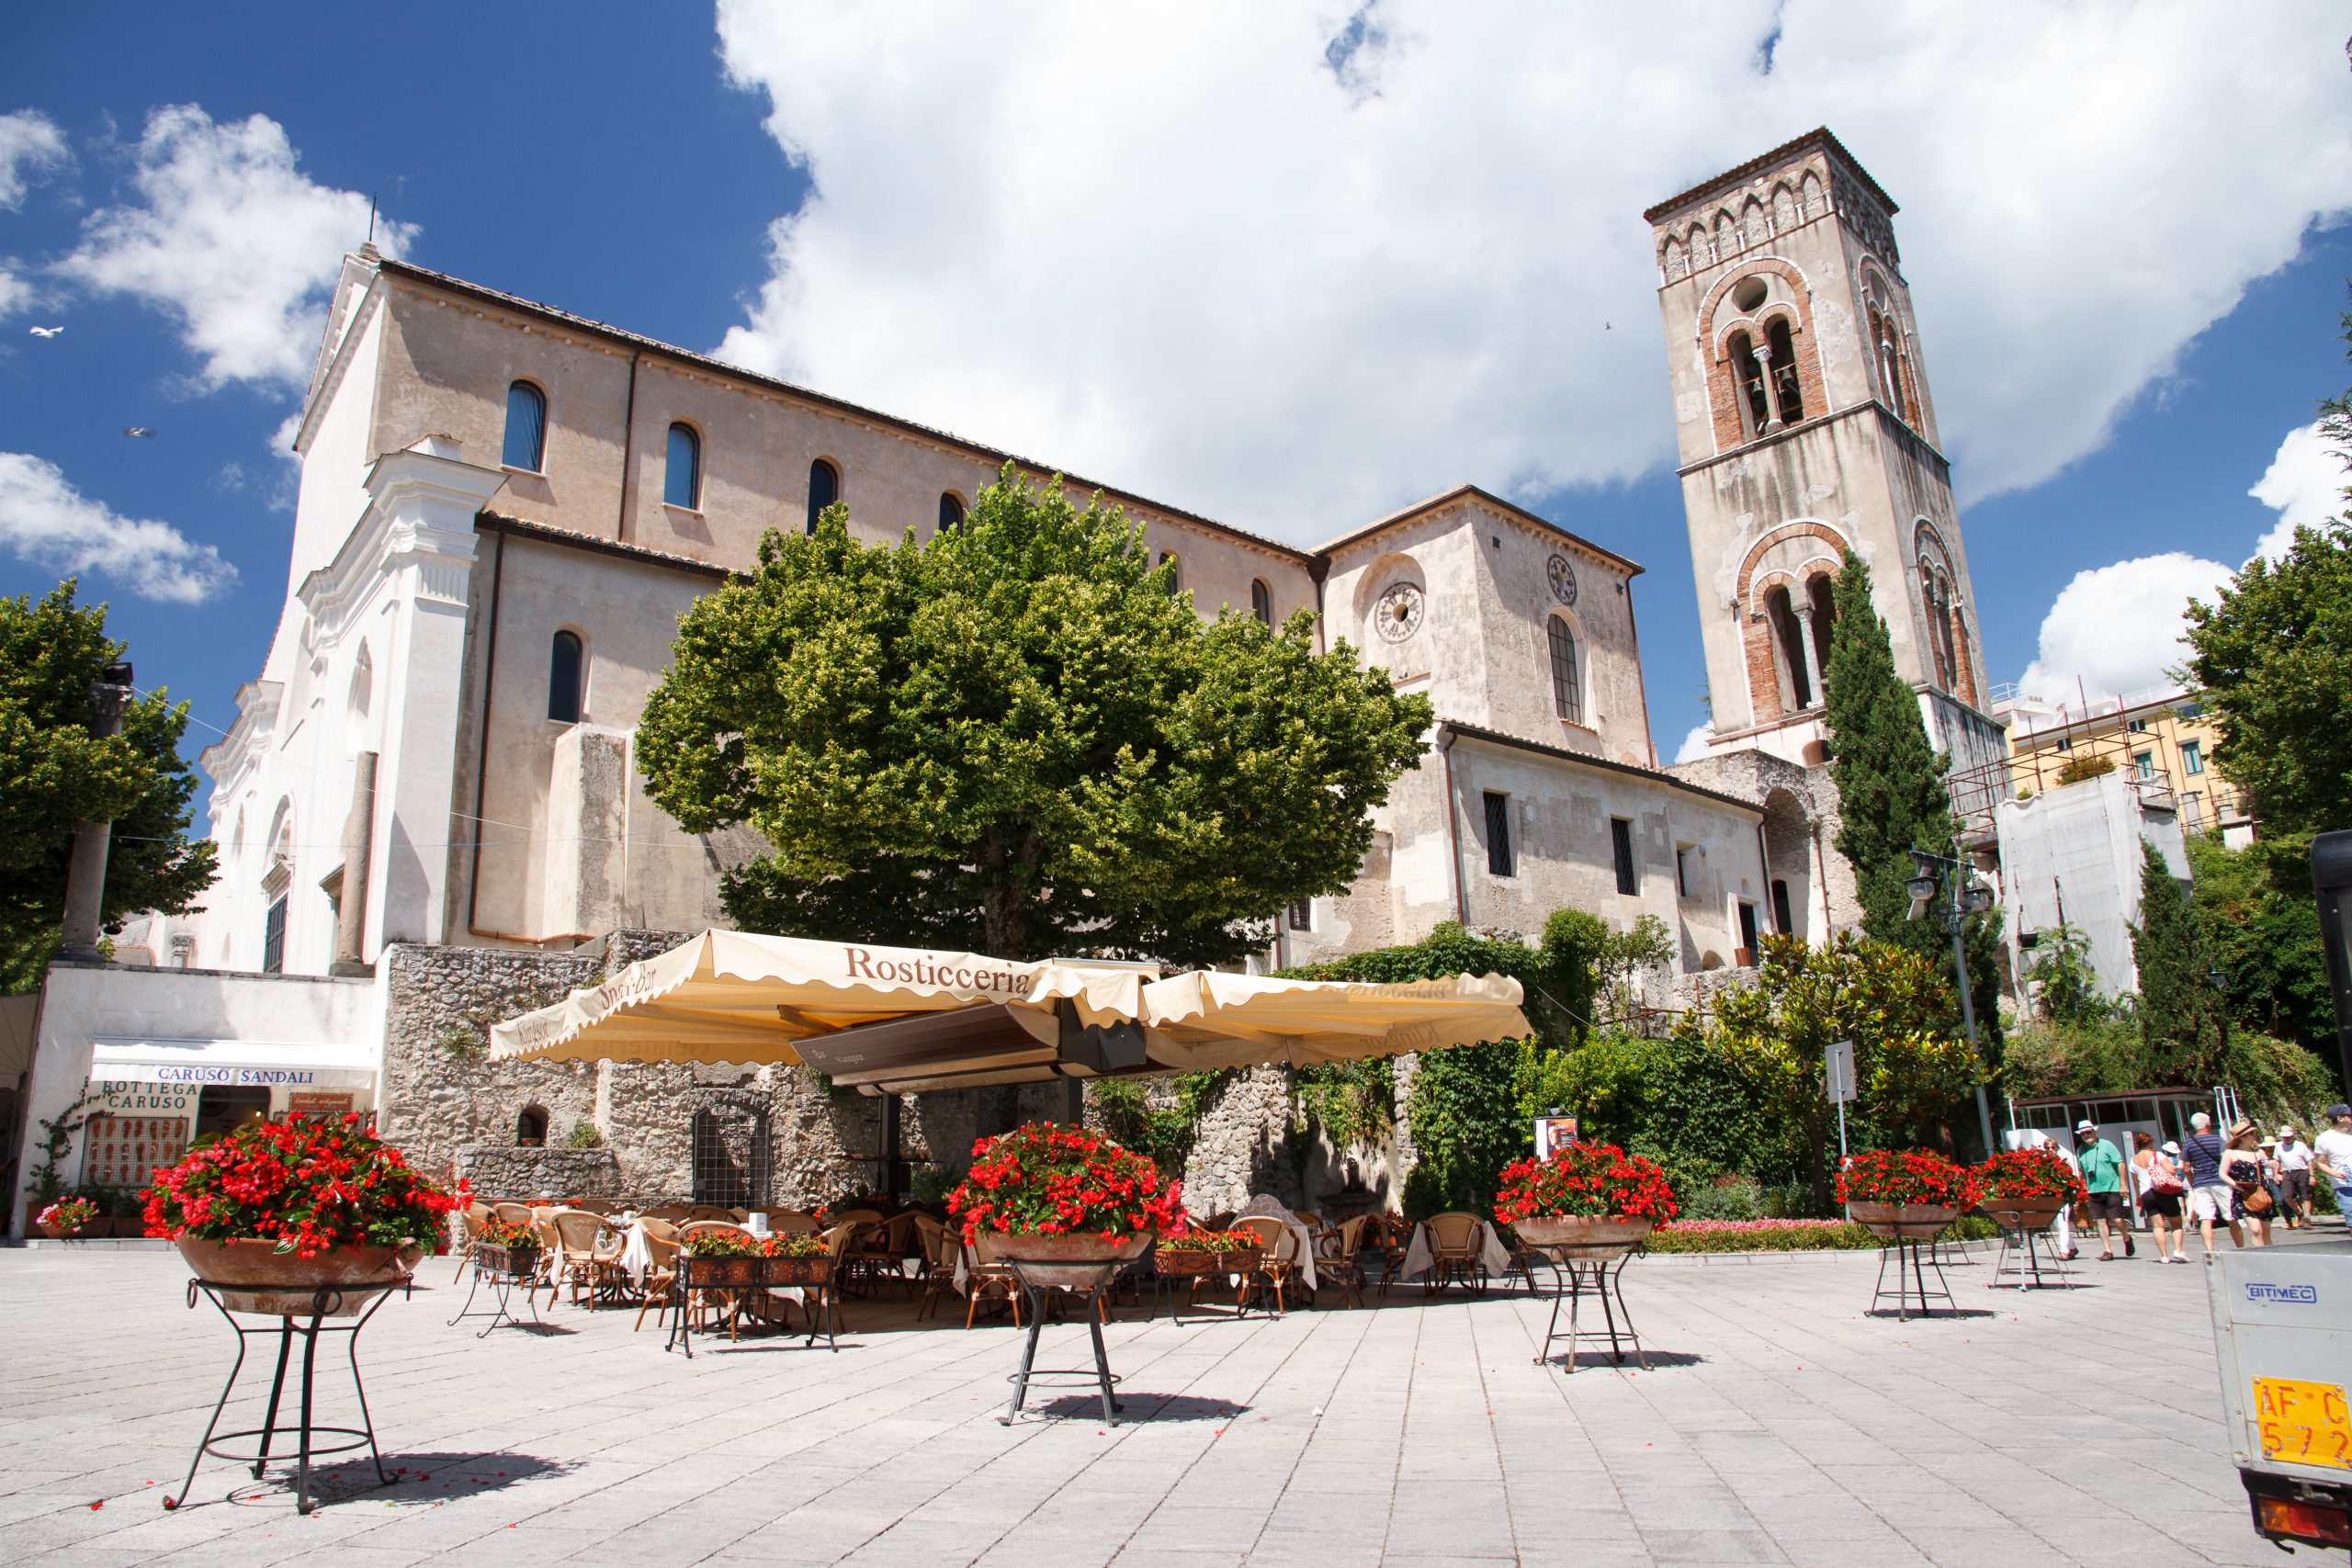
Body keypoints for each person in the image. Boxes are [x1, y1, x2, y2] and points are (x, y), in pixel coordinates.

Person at [2181, 1111, 2245, 1253]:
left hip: (2200, 1183)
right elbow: (2226, 1160)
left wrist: (2193, 1183)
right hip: (2220, 1181)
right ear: (2208, 1124)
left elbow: (2186, 1168)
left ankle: (2209, 1250)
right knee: (2230, 1216)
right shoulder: (2217, 1140)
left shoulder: (2188, 1143)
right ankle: (2240, 1248)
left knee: (2206, 1218)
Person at [2074, 1119, 2132, 1260]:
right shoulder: (2081, 1150)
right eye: (2083, 1134)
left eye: (2088, 1132)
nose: (2086, 1136)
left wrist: (2123, 1184)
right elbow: (2081, 1171)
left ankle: (2126, 1238)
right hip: (2093, 1190)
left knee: (2117, 1219)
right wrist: (2081, 1186)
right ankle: (2108, 1250)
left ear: (2094, 1131)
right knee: (2100, 1220)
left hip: (2111, 1187)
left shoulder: (2107, 1145)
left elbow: (2120, 1164)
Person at [2132, 1133, 2187, 1263]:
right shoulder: (2158, 1155)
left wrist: (2138, 1198)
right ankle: (2178, 1250)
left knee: (2158, 1226)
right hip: (2163, 1190)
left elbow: (2135, 1182)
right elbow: (2171, 1170)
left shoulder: (2133, 1160)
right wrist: (2179, 1165)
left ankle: (2164, 1256)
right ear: (2150, 1142)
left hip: (2146, 1194)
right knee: (2176, 1222)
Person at [2221, 1120, 2272, 1247]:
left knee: (2266, 1231)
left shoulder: (2259, 1152)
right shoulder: (2231, 1153)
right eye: (2252, 1134)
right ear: (2243, 1138)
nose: (2255, 1136)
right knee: (2255, 1230)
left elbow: (2267, 1170)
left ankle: (2271, 1257)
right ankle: (2259, 1256)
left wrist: (2271, 1169)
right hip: (2245, 1194)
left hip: (2261, 1192)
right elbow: (2222, 1173)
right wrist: (2235, 1185)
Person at [2316, 1103, 2352, 1226]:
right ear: (2340, 1118)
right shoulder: (2324, 1139)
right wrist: (2335, 1173)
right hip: (2345, 1185)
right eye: (2350, 1115)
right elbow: (2320, 1163)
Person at [2275, 1125, 2315, 1230]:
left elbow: (2309, 1161)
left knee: (2305, 1195)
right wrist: (2276, 1174)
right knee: (2286, 1195)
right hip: (2287, 1172)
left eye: (2289, 1136)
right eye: (2285, 1137)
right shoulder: (2279, 1146)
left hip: (2302, 1171)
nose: (2287, 1139)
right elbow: (2277, 1161)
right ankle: (2298, 1212)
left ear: (2293, 1136)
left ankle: (2307, 1218)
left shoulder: (2300, 1145)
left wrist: (2312, 1176)